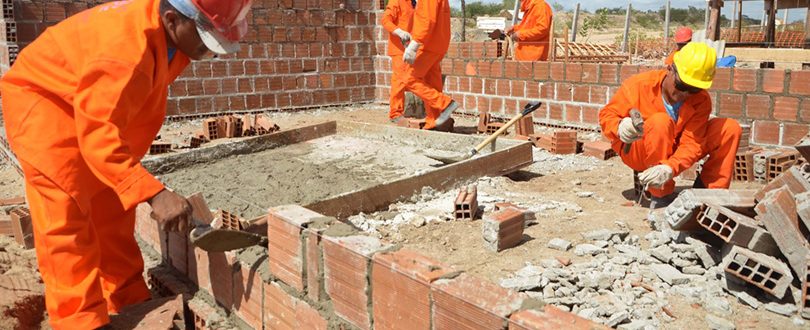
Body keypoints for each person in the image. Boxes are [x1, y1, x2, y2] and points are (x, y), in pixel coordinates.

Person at [0, 0, 252, 328]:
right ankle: (80, 320)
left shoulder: (169, 34)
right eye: (207, 40)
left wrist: (131, 183)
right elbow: (98, 136)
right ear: (173, 19)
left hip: (89, 106)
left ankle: (128, 297)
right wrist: (155, 193)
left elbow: (111, 115)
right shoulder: (122, 51)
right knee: (67, 220)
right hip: (46, 102)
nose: (211, 52)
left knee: (113, 207)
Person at [599, 42, 741, 208]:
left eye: (693, 89)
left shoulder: (701, 100)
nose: (685, 94)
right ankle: (661, 195)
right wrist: (619, 126)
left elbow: (691, 143)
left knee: (729, 129)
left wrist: (669, 168)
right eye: (682, 86)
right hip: (638, 150)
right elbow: (606, 115)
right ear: (670, 69)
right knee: (661, 121)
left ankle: (710, 194)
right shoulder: (639, 85)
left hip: (673, 150)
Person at [401, 0, 458, 130]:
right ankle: (436, 121)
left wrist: (414, 45)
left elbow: (427, 20)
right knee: (432, 83)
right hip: (438, 44)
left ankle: (445, 104)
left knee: (408, 78)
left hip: (427, 45)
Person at [381, 0, 415, 123]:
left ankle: (416, 110)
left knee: (414, 79)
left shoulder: (417, 3)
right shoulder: (397, 1)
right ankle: (395, 113)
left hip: (412, 48)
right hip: (399, 50)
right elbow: (385, 20)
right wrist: (399, 32)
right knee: (399, 81)